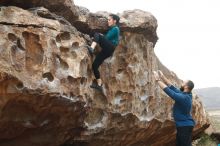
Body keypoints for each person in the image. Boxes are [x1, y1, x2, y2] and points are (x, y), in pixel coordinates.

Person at [153, 70, 195, 146]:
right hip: (184, 126)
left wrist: (157, 80)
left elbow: (170, 92)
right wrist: (162, 77)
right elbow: (172, 88)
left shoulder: (184, 97)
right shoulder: (187, 94)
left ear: (186, 86)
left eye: (183, 83)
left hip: (184, 126)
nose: (181, 84)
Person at [87, 14, 120, 91]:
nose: (108, 21)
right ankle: (99, 84)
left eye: (109, 20)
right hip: (107, 51)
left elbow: (106, 38)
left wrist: (100, 36)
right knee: (95, 65)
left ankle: (92, 48)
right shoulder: (111, 29)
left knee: (97, 34)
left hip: (110, 47)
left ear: (114, 21)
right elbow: (105, 38)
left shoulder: (115, 28)